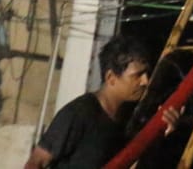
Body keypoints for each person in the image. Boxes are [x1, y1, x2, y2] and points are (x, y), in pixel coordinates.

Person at [24, 35, 179, 169]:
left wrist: (160, 133)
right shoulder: (80, 113)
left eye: (146, 74)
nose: (145, 81)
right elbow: (36, 162)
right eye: (137, 75)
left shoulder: (128, 118)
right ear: (111, 78)